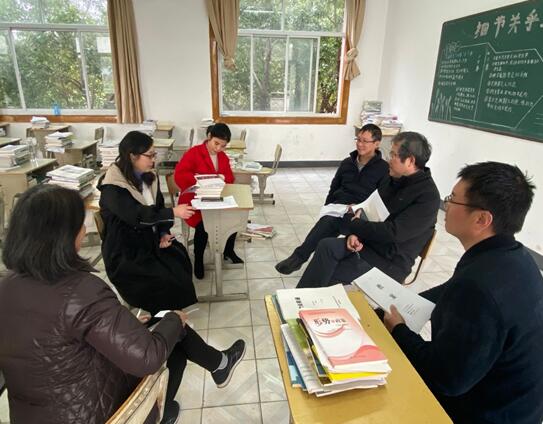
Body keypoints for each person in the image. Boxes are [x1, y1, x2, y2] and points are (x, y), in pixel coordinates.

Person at [0, 185, 187, 423]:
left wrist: (119, 324)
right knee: (176, 339)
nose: (85, 229)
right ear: (64, 235)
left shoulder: (6, 286)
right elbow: (147, 357)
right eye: (81, 223)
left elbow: (53, 340)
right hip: (94, 412)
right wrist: (174, 319)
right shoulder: (80, 290)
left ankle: (217, 365)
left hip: (31, 414)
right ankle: (171, 404)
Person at [98, 131, 246, 422]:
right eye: (150, 155)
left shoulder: (147, 177)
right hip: (127, 260)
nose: (155, 159)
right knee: (169, 311)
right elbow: (137, 215)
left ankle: (181, 391)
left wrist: (164, 232)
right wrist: (172, 213)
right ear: (132, 156)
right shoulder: (112, 187)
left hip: (148, 247)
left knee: (178, 259)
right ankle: (216, 362)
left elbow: (154, 212)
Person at [383, 162, 543, 424]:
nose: (445, 206)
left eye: (453, 199)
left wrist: (399, 329)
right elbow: (452, 289)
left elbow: (445, 379)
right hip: (518, 406)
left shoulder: (478, 288)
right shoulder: (515, 257)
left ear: (482, 219)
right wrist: (407, 300)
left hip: (485, 413)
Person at [296, 131, 440, 288]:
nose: (388, 160)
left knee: (333, 274)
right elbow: (368, 209)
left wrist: (355, 225)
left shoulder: (427, 196)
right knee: (326, 246)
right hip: (367, 244)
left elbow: (393, 233)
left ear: (410, 161)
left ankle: (316, 299)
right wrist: (354, 234)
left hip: (389, 262)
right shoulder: (391, 179)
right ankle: (299, 299)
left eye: (393, 155)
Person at [276, 123, 388, 275]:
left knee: (336, 232)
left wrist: (360, 209)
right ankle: (298, 258)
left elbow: (380, 199)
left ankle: (315, 263)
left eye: (365, 141)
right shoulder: (347, 163)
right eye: (358, 139)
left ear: (377, 143)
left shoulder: (383, 169)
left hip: (361, 214)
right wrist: (328, 206)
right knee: (326, 222)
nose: (360, 144)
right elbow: (334, 187)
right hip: (340, 208)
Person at [174, 123, 243, 279]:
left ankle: (229, 251)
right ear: (209, 137)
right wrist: (200, 180)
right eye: (216, 143)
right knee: (203, 224)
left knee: (232, 217)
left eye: (223, 146)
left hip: (216, 197)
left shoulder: (222, 157)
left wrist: (222, 178)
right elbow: (180, 175)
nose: (219, 148)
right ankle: (198, 258)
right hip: (195, 199)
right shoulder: (194, 153)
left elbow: (230, 177)